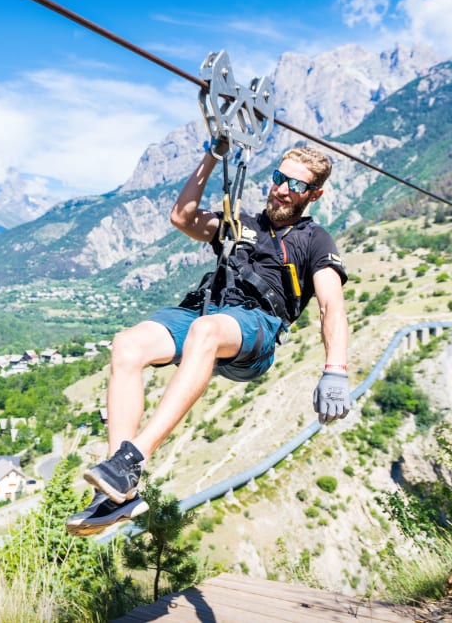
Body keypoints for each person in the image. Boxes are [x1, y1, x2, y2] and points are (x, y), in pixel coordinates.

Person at [66, 144, 350, 536]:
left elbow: (331, 305)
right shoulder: (241, 223)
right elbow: (182, 217)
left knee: (206, 331)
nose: (282, 190)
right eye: (279, 178)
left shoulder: (315, 240)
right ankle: (119, 491)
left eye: (296, 185)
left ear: (314, 194)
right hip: (207, 308)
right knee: (127, 344)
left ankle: (133, 459)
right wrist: (212, 157)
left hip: (256, 325)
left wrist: (335, 368)